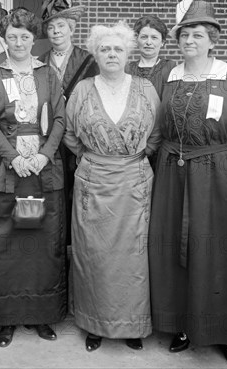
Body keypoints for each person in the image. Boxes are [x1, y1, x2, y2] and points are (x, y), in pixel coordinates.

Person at [148, 0, 227, 366]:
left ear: (212, 40)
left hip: (219, 173)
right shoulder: (171, 77)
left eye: (197, 35)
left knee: (217, 253)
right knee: (173, 250)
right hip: (173, 172)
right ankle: (180, 325)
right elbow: (160, 128)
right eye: (184, 36)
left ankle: (224, 332)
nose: (190, 41)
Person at [0, 8, 67, 348]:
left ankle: (40, 315)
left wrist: (43, 156)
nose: (18, 42)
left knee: (39, 241)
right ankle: (6, 319)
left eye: (25, 36)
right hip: (7, 173)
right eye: (12, 36)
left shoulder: (48, 75)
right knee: (6, 244)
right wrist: (13, 159)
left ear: (33, 38)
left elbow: (59, 119)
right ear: (5, 38)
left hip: (40, 173)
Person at [63, 21, 160, 353]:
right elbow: (70, 135)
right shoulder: (82, 90)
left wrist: (129, 159)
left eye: (118, 48)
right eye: (105, 48)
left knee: (134, 257)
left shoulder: (146, 88)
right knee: (95, 255)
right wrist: (97, 159)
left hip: (134, 182)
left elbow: (157, 133)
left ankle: (132, 325)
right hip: (94, 182)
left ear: (128, 52)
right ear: (95, 53)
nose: (112, 54)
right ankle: (94, 323)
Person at [37, 0, 98, 247]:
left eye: (61, 25)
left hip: (77, 140)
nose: (56, 32)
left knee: (77, 198)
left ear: (71, 27)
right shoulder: (38, 61)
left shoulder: (88, 60)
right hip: (46, 139)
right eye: (51, 27)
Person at [125, 15, 175, 97]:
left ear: (162, 42)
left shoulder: (169, 67)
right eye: (144, 37)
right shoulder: (127, 69)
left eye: (154, 37)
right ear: (137, 40)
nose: (148, 42)